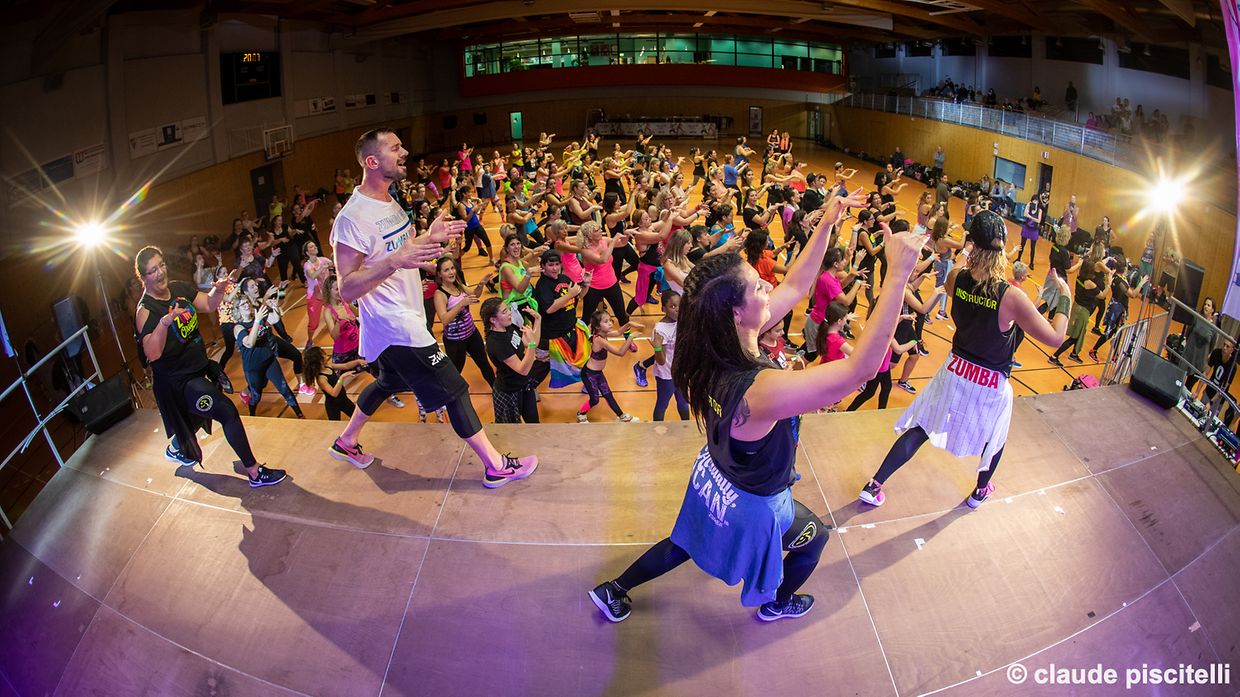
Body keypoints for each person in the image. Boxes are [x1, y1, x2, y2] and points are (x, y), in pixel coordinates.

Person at [589, 190, 926, 623]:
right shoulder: (759, 391)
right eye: (756, 286)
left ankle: (614, 589)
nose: (768, 285)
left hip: (715, 474)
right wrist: (897, 276)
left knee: (686, 541)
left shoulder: (714, 343)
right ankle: (776, 602)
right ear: (735, 311)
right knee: (815, 538)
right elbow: (859, 370)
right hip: (751, 498)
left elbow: (795, 285)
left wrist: (827, 222)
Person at [327, 128, 537, 488]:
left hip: (406, 317)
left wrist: (429, 239)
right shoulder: (352, 219)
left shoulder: (390, 202)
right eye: (396, 148)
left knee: (389, 381)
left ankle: (346, 442)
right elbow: (346, 289)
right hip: (394, 325)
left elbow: (400, 252)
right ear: (373, 162)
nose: (405, 152)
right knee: (455, 390)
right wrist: (396, 259)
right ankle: (496, 466)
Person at [858, 210, 1071, 509]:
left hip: (955, 369)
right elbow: (1055, 337)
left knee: (921, 426)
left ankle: (875, 484)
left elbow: (956, 277)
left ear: (973, 243)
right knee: (994, 437)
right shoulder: (1010, 296)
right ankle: (979, 492)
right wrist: (1066, 298)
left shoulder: (957, 278)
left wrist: (964, 254)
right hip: (989, 379)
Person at [133, 247, 285, 487]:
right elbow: (152, 353)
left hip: (197, 369)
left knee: (195, 418)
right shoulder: (146, 311)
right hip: (178, 383)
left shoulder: (179, 288)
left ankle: (176, 447)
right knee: (226, 411)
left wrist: (219, 288)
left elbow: (208, 304)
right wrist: (165, 323)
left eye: (161, 265)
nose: (160, 273)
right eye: (152, 271)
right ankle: (255, 473)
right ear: (143, 278)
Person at [480, 298, 542, 424]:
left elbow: (532, 341)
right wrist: (531, 346)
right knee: (510, 429)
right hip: (509, 392)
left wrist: (538, 319)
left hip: (524, 386)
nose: (510, 313)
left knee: (534, 422)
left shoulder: (509, 327)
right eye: (504, 312)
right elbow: (522, 369)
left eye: (508, 309)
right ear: (493, 320)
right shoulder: (496, 343)